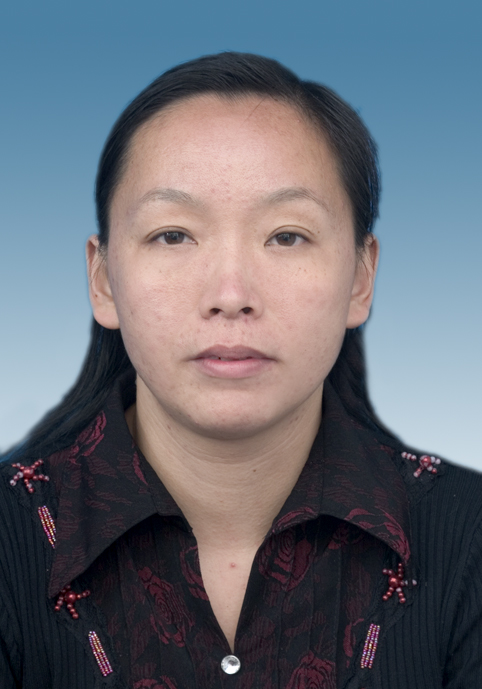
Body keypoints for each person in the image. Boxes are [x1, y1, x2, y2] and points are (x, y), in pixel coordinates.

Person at [1, 52, 481, 689]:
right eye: (173, 235)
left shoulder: (469, 536)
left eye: (286, 235)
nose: (230, 295)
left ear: (361, 278)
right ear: (103, 280)